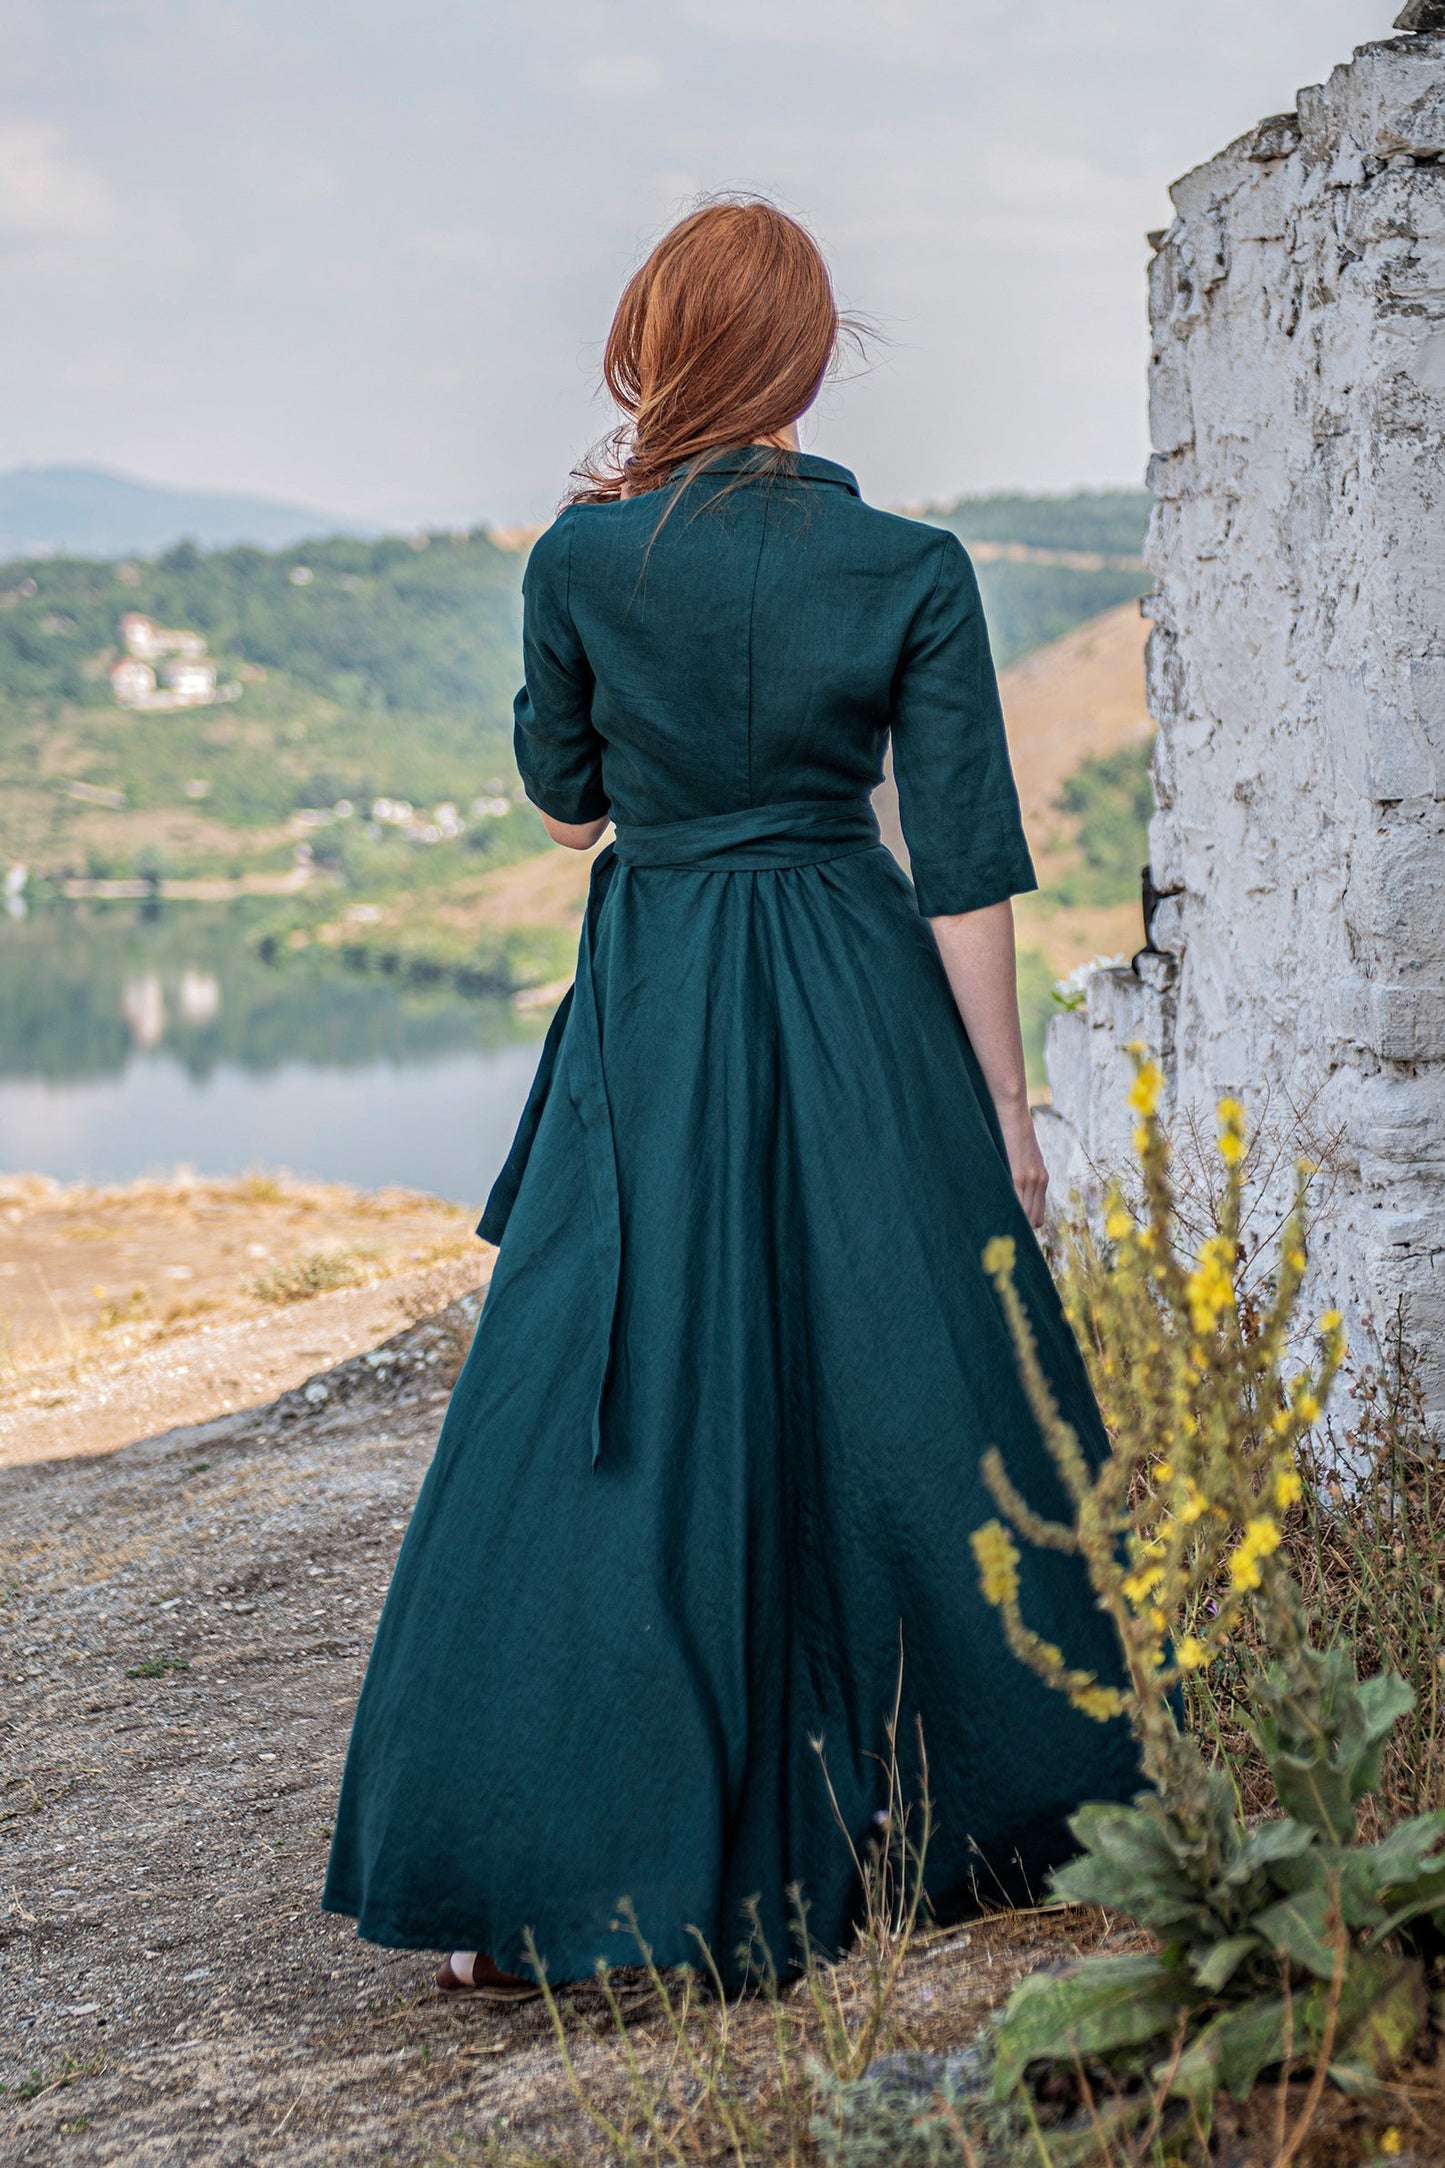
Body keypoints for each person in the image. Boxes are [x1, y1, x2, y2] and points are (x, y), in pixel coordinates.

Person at [323, 197, 1140, 1999]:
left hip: (666, 987)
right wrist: (1000, 1105)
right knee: (908, 1379)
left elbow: (567, 808)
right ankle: (979, 1816)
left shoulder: (578, 558)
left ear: (656, 347)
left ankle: (550, 1866)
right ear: (812, 356)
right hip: (856, 984)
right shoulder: (915, 565)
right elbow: (966, 864)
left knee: (610, 1402)